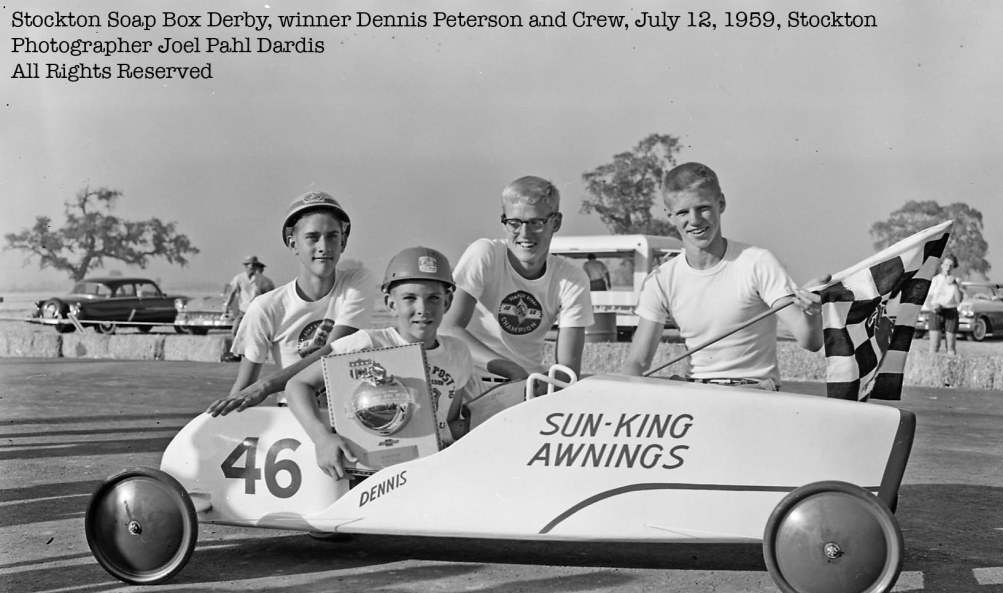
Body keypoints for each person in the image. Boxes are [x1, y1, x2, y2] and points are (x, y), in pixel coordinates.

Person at [621, 163, 825, 390]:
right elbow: (637, 363)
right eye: (683, 212)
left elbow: (811, 342)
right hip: (696, 394)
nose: (694, 220)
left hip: (754, 393)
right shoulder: (660, 280)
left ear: (721, 204)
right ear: (670, 216)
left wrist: (811, 313)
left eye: (703, 208)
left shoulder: (758, 262)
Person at [286, 246, 472, 481]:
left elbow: (449, 420)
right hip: (375, 474)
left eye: (433, 298)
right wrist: (321, 438)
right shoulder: (368, 343)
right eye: (409, 298)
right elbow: (297, 385)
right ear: (391, 303)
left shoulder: (458, 352)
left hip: (432, 472)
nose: (422, 309)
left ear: (447, 302)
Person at [206, 190, 376, 416]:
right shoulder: (265, 307)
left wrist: (266, 385)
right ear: (292, 243)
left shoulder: (357, 282)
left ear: (343, 242)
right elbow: (245, 386)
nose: (324, 246)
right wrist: (220, 423)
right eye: (312, 237)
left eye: (332, 236)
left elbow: (333, 353)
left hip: (348, 413)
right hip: (295, 415)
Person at [442, 175, 594, 399]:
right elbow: (448, 328)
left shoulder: (572, 279)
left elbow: (566, 372)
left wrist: (537, 387)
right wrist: (511, 370)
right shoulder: (485, 254)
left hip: (526, 387)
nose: (524, 233)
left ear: (556, 223)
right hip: (469, 382)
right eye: (514, 223)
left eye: (536, 223)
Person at [224, 255, 276, 342]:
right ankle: (237, 350)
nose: (253, 267)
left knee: (256, 334)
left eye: (255, 265)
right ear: (246, 266)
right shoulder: (239, 278)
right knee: (235, 331)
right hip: (243, 311)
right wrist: (227, 306)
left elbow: (269, 296)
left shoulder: (262, 279)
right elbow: (232, 293)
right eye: (251, 265)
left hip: (256, 311)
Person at [922, 255, 963, 354]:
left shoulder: (957, 281)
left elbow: (958, 300)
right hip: (936, 312)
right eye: (946, 264)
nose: (948, 268)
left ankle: (951, 362)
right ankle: (932, 362)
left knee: (951, 346)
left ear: (954, 267)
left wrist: (955, 284)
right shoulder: (935, 280)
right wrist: (933, 308)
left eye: (951, 265)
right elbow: (928, 300)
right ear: (942, 265)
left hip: (951, 311)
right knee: (934, 345)